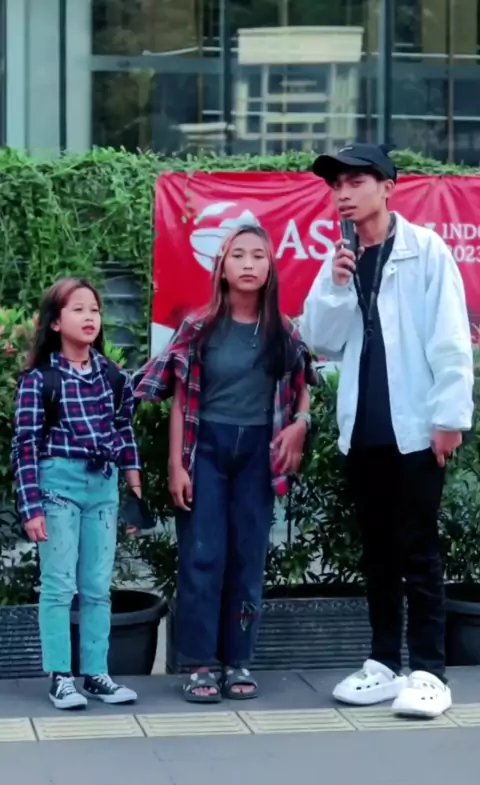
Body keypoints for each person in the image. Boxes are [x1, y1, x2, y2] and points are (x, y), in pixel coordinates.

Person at [299, 143, 474, 719]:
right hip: (363, 431)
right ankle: (382, 663)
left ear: (387, 188)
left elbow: (450, 337)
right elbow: (320, 339)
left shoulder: (426, 250)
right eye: (337, 185)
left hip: (417, 429)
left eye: (355, 182)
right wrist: (334, 283)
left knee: (418, 552)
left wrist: (449, 419)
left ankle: (428, 671)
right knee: (376, 552)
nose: (343, 194)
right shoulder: (341, 257)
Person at [135, 224, 315, 703]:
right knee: (203, 556)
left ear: (271, 267)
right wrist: (176, 465)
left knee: (247, 558)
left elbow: (303, 384)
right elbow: (179, 401)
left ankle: (238, 660)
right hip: (206, 450)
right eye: (238, 255)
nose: (249, 264)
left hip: (259, 452)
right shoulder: (199, 328)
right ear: (221, 267)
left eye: (258, 255)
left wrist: (300, 423)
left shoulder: (284, 330)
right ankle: (199, 664)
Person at [12, 278, 141, 710]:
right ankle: (60, 677)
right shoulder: (39, 381)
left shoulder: (114, 376)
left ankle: (97, 674)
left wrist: (134, 485)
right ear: (55, 322)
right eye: (78, 309)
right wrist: (31, 508)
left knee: (97, 586)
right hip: (57, 486)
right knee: (58, 584)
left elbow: (124, 430)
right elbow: (25, 445)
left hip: (103, 487)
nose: (90, 318)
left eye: (95, 310)